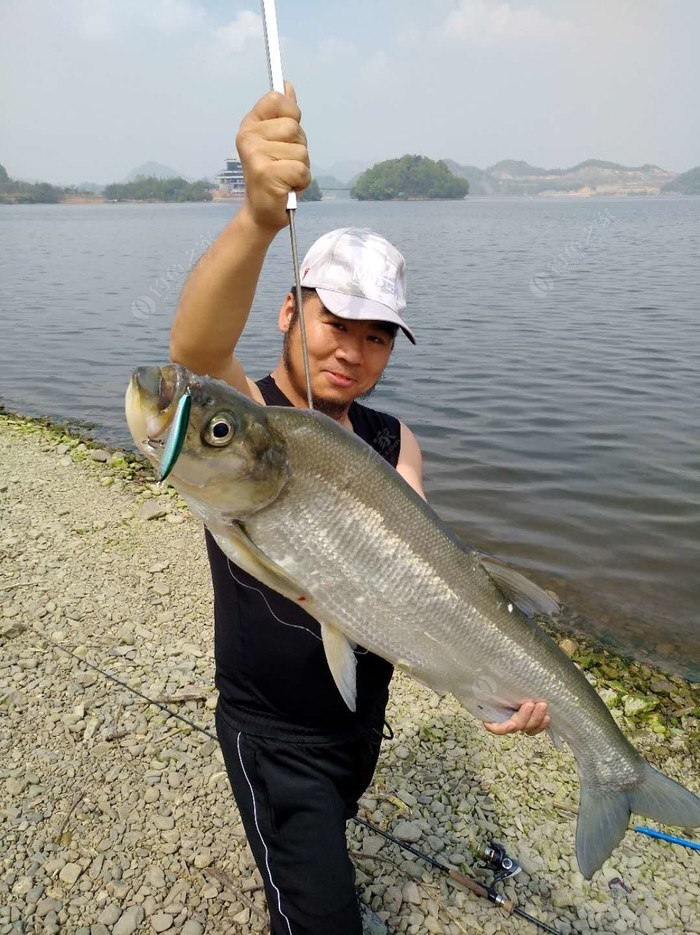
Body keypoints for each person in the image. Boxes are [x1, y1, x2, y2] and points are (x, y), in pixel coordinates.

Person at [170, 84, 550, 935]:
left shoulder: (394, 439)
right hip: (270, 730)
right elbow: (193, 349)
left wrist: (501, 682)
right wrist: (258, 219)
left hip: (358, 718)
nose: (352, 349)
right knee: (319, 916)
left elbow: (433, 572)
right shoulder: (251, 423)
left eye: (377, 333)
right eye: (334, 320)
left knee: (325, 846)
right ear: (288, 309)